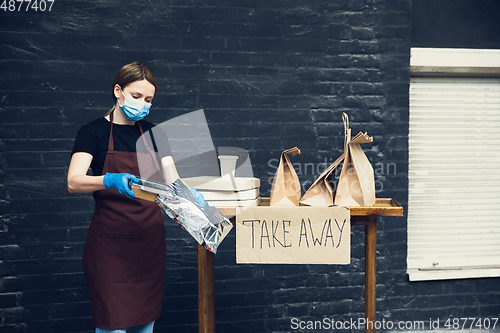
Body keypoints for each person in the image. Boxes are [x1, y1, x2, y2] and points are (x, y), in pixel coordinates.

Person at [67, 62, 203, 333]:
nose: (143, 104)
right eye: (137, 96)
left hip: (150, 243)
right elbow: (73, 181)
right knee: (112, 326)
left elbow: (172, 181)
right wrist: (109, 180)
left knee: (145, 324)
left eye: (149, 99)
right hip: (110, 245)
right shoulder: (92, 132)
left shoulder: (155, 134)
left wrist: (192, 197)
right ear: (118, 91)